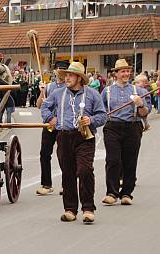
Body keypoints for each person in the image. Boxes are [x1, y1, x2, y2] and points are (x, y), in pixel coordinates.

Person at [42, 62, 107, 223]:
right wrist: (50, 118)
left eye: (70, 75)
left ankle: (88, 208)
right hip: (64, 136)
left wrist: (90, 119)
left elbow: (103, 116)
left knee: (84, 170)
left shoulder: (92, 94)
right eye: (66, 75)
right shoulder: (57, 93)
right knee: (68, 173)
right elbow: (45, 107)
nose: (66, 78)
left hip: (84, 137)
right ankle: (70, 209)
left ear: (79, 78)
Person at [101, 59, 151, 206]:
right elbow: (101, 110)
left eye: (128, 71)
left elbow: (144, 113)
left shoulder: (139, 91)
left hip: (132, 126)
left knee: (130, 161)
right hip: (112, 127)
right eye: (123, 71)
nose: (126, 74)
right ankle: (112, 193)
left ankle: (127, 193)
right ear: (115, 74)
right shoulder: (107, 91)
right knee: (113, 160)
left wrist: (140, 104)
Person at [35, 60, 68, 195]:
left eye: (63, 69)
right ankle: (46, 184)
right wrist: (42, 92)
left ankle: (67, 184)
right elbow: (38, 105)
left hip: (64, 125)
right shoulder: (49, 86)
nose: (59, 71)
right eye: (58, 69)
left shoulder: (69, 86)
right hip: (48, 124)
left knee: (64, 155)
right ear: (54, 71)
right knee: (44, 154)